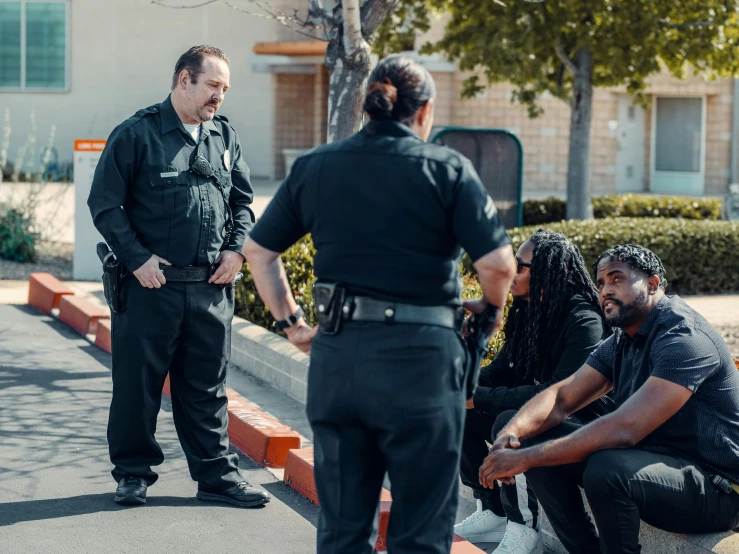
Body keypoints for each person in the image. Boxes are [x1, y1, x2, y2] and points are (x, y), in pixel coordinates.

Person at [243, 55, 516, 554]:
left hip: (340, 359)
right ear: (424, 111)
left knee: (344, 532)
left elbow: (259, 252)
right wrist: (491, 314)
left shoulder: (317, 166)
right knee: (420, 534)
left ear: (368, 104)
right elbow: (498, 265)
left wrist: (293, 324)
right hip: (423, 365)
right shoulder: (448, 169)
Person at [87, 45, 270, 508]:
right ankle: (131, 475)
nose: (219, 97)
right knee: (137, 388)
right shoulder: (137, 134)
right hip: (152, 289)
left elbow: (243, 204)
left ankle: (216, 479)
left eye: (225, 89)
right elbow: (105, 205)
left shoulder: (224, 138)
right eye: (213, 85)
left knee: (207, 389)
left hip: (210, 289)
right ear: (184, 79)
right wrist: (137, 259)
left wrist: (235, 252)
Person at [481, 245, 739, 554]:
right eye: (601, 282)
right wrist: (511, 436)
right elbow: (561, 397)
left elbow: (626, 428)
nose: (606, 290)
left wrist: (526, 459)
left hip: (717, 486)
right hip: (654, 464)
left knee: (607, 469)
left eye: (617, 279)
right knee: (528, 435)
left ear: (653, 284)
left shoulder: (684, 337)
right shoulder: (623, 337)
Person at [455, 230, 613, 554]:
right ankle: (493, 509)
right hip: (543, 413)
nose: (512, 272)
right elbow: (502, 368)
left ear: (549, 272)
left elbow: (555, 397)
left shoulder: (585, 321)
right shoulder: (529, 309)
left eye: (521, 265)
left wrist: (478, 397)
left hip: (581, 423)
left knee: (508, 422)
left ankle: (523, 527)